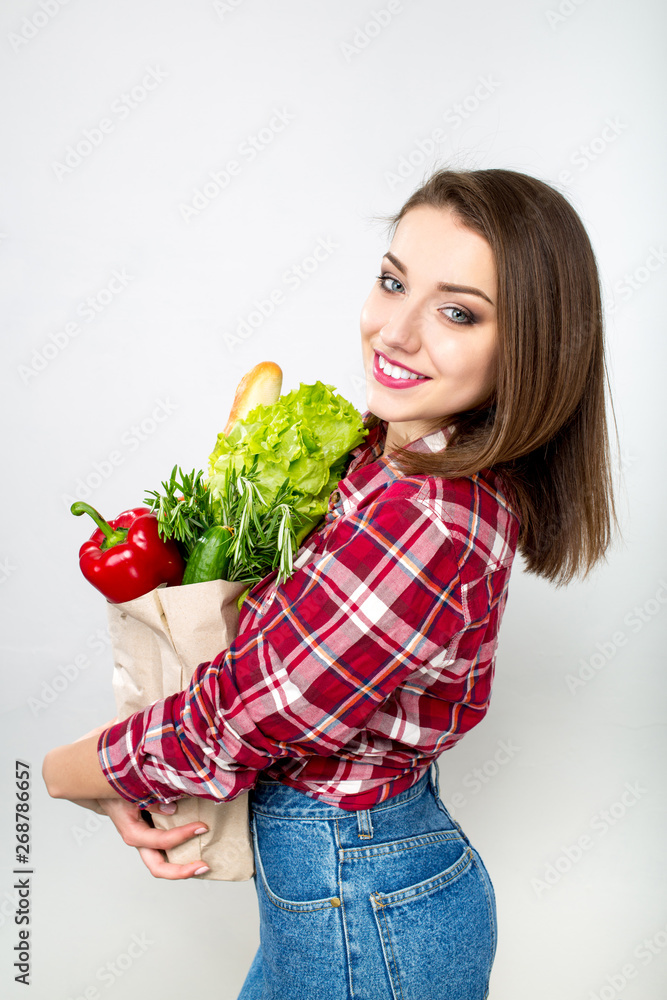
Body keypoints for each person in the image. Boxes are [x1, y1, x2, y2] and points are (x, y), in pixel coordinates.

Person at [43, 167, 618, 999]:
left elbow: (247, 709)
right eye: (392, 281)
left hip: (365, 905)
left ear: (530, 349)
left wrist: (69, 773)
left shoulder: (428, 516)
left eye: (457, 312)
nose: (396, 331)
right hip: (347, 893)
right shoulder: (385, 461)